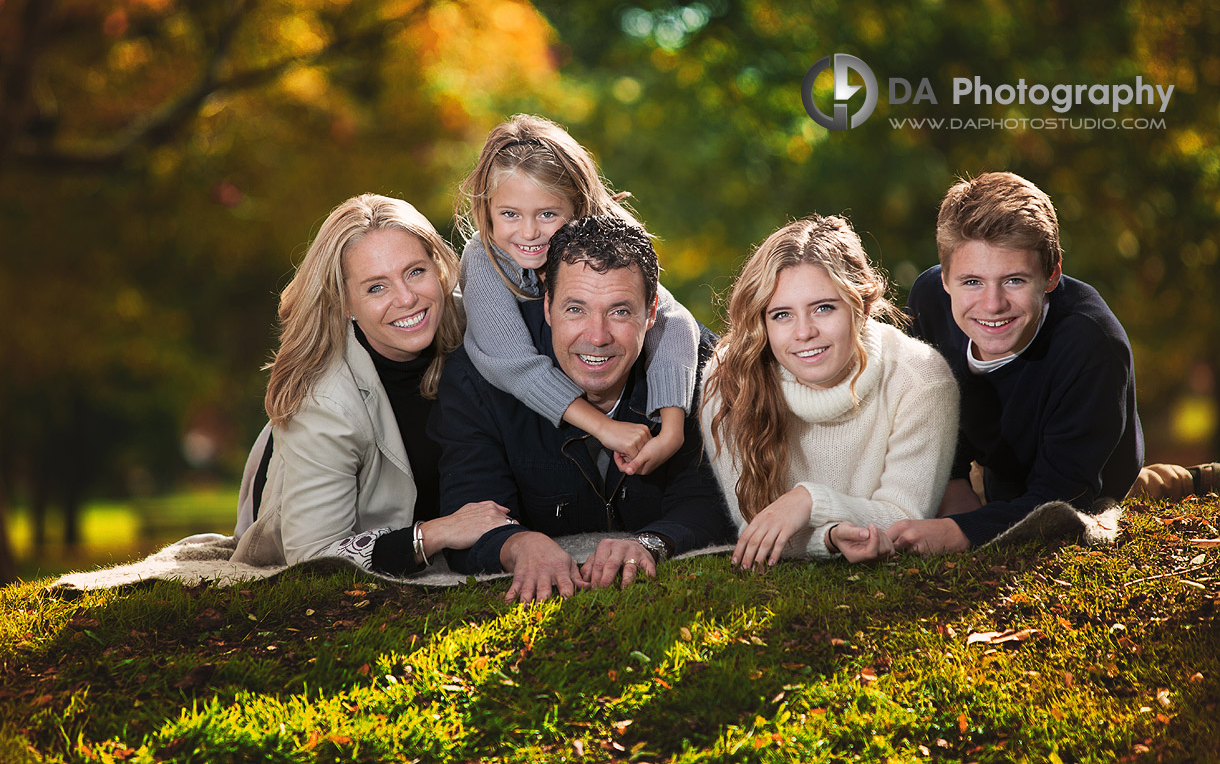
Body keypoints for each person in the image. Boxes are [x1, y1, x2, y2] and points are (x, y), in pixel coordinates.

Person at [432, 215, 731, 603]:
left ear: (653, 311)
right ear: (547, 306)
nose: (597, 336)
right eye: (576, 309)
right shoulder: (478, 377)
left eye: (620, 311)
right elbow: (469, 508)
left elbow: (713, 497)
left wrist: (651, 542)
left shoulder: (698, 368)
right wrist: (518, 544)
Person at [232, 194, 512, 574]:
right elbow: (314, 554)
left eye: (415, 271)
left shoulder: (473, 322)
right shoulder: (323, 403)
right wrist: (434, 534)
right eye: (376, 287)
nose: (407, 298)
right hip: (298, 481)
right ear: (345, 302)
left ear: (438, 268)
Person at [897, 171, 1144, 554]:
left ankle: (1173, 479)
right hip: (999, 461)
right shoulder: (929, 300)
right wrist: (952, 483)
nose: (992, 304)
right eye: (972, 282)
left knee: (1104, 500)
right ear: (945, 278)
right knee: (995, 496)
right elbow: (926, 406)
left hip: (1087, 472)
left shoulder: (1093, 345)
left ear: (1051, 275)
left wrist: (956, 532)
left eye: (1014, 280)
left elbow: (1061, 498)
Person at [700, 215, 960, 569]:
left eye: (823, 308)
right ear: (761, 321)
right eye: (781, 315)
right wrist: (830, 536)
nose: (804, 332)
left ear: (861, 308)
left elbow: (903, 517)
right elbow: (758, 527)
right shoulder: (730, 378)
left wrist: (809, 501)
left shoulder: (920, 377)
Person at [456, 114, 700, 476]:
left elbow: (672, 320)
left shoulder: (610, 239)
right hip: (520, 421)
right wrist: (605, 428)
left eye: (547, 214)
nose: (528, 232)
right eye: (509, 214)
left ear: (578, 207)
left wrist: (672, 430)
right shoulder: (484, 257)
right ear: (488, 213)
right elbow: (512, 364)